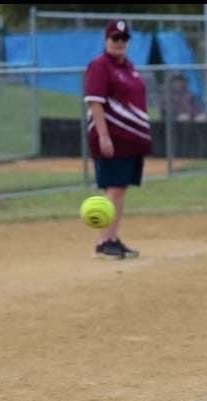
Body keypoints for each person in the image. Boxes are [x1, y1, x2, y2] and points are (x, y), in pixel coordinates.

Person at [84, 20, 150, 259]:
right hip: (113, 137)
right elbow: (95, 101)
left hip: (130, 140)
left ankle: (113, 238)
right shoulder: (100, 66)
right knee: (113, 188)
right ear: (106, 40)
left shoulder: (128, 66)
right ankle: (102, 242)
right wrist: (103, 136)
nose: (119, 43)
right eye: (115, 38)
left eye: (123, 39)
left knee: (120, 189)